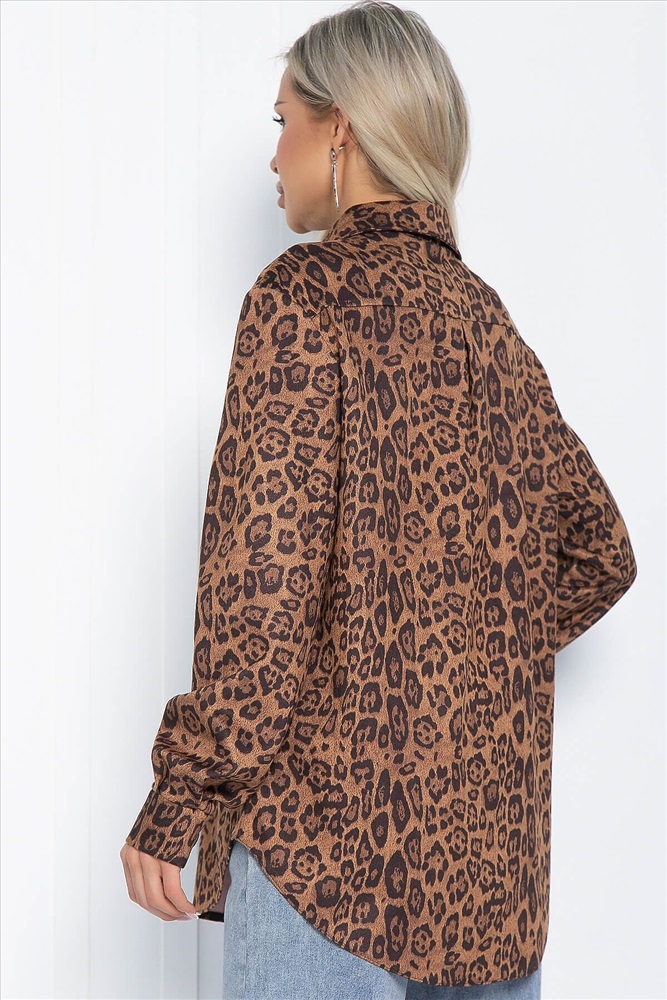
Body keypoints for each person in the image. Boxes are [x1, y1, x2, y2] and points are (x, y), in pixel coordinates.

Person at [119, 2, 638, 997]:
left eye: (284, 122)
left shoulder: (303, 297)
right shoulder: (490, 328)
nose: (274, 155)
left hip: (329, 861)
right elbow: (597, 551)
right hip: (487, 884)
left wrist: (181, 793)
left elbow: (261, 595)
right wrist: (459, 661)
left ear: (341, 129)